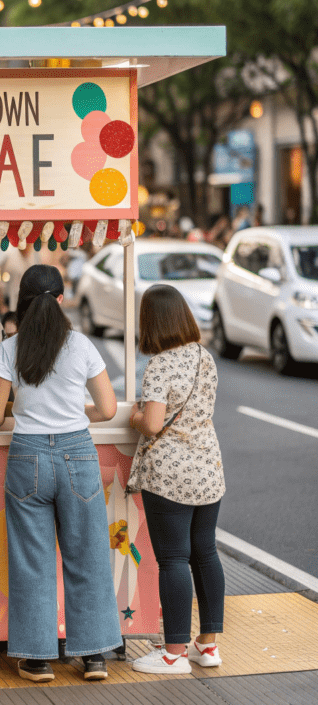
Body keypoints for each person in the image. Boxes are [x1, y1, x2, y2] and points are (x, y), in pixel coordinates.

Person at [0, 264, 122, 683]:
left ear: (21, 304)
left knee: (32, 562)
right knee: (89, 556)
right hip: (77, 455)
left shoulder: (10, 348)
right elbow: (109, 409)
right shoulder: (81, 346)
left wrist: (27, 415)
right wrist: (75, 413)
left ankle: (37, 659)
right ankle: (94, 656)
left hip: (27, 459)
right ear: (62, 300)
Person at [127, 285, 226, 675]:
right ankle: (208, 646)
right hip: (208, 467)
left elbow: (151, 424)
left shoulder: (161, 364)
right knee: (206, 551)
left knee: (172, 558)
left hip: (170, 474)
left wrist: (135, 416)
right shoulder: (206, 357)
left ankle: (173, 654)